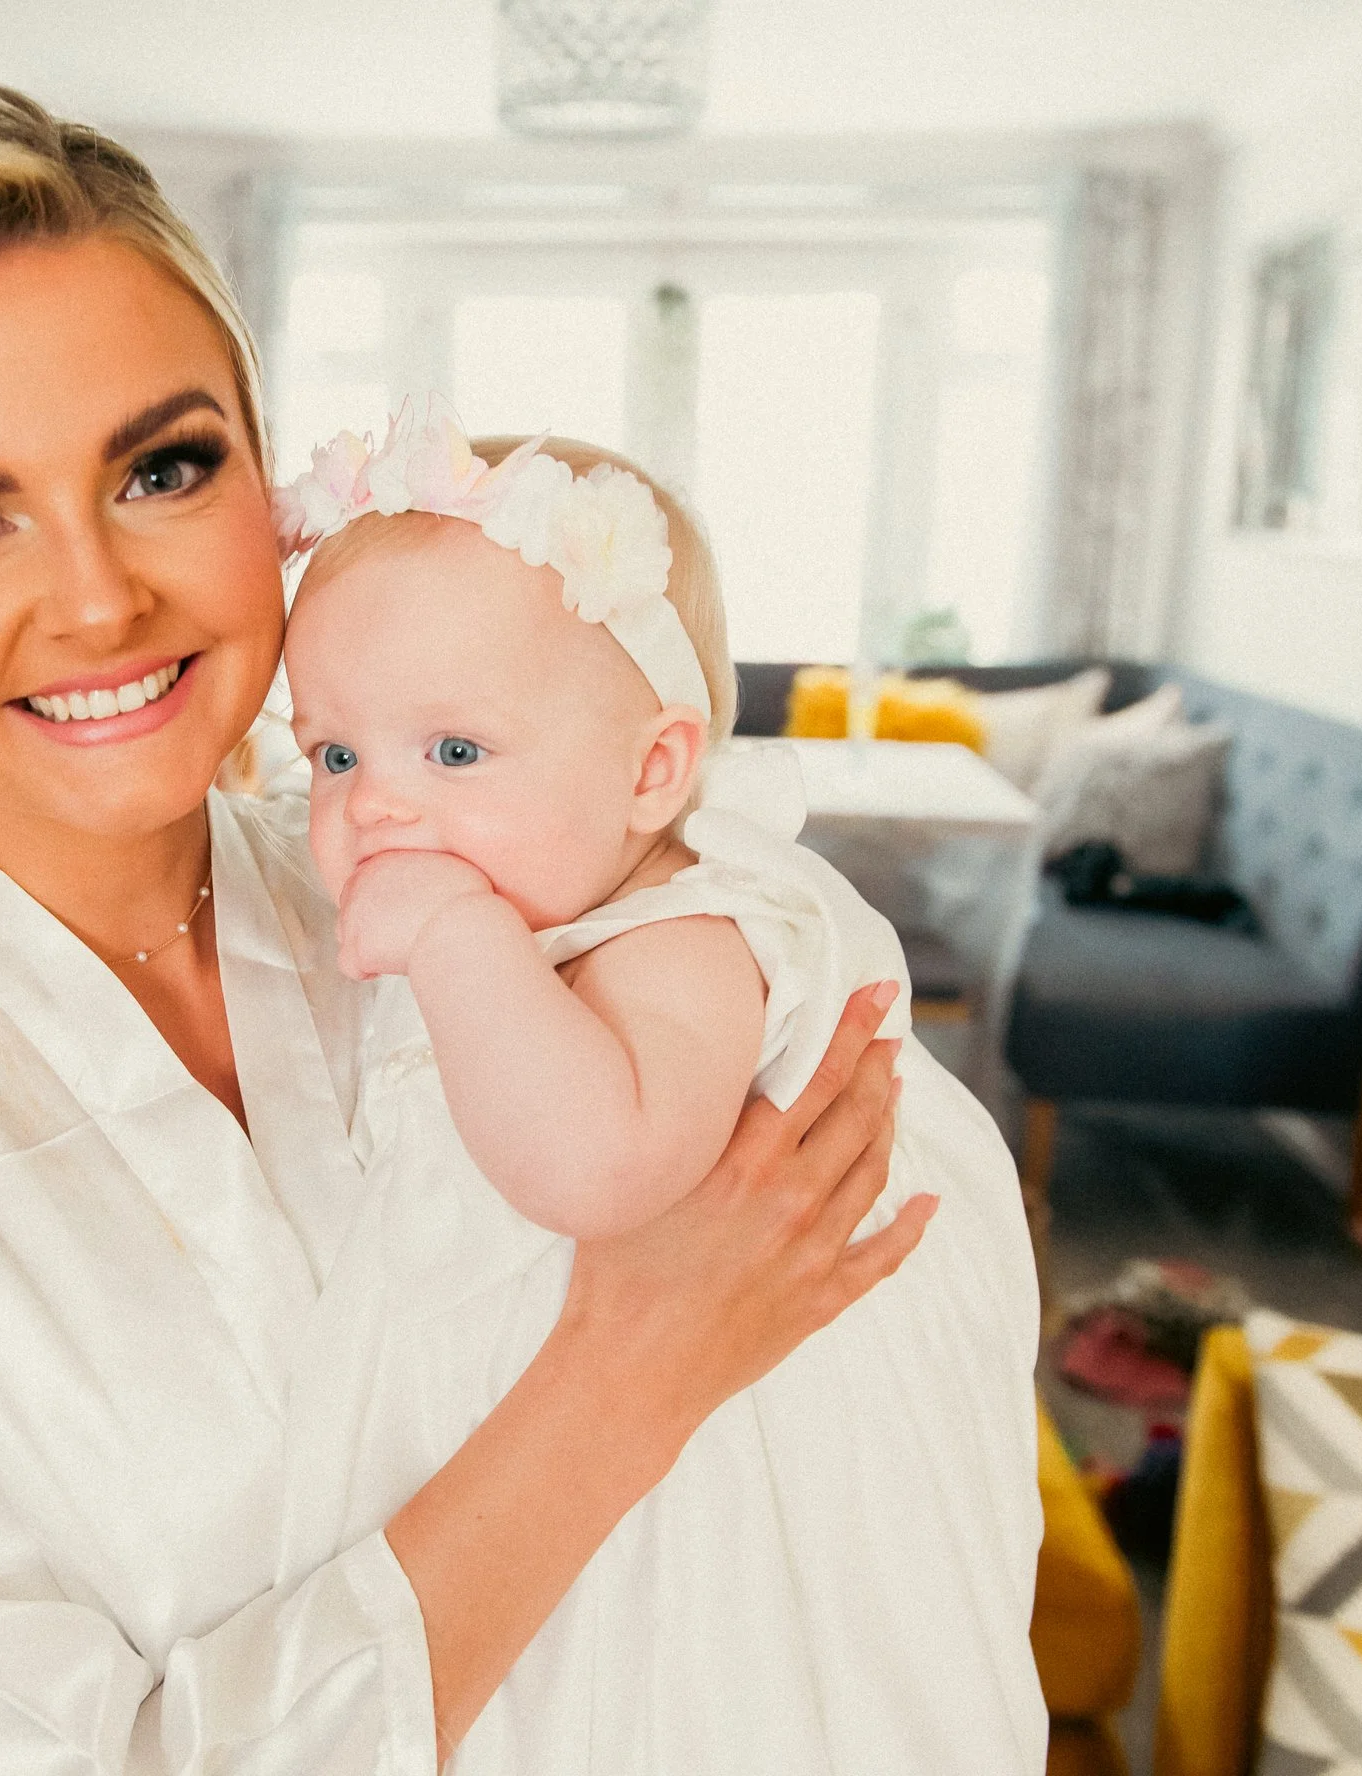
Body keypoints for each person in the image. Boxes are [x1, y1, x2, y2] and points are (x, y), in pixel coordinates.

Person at [0, 82, 959, 1775]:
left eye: (163, 468)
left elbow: (877, 1260)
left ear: (270, 485)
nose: (98, 599)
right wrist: (636, 1367)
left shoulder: (507, 883)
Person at [272, 401, 1046, 1770]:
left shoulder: (690, 936)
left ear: (652, 773)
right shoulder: (553, 895)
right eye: (335, 752)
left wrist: (457, 946)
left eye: (452, 752)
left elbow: (600, 1168)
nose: (374, 805)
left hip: (728, 1497)